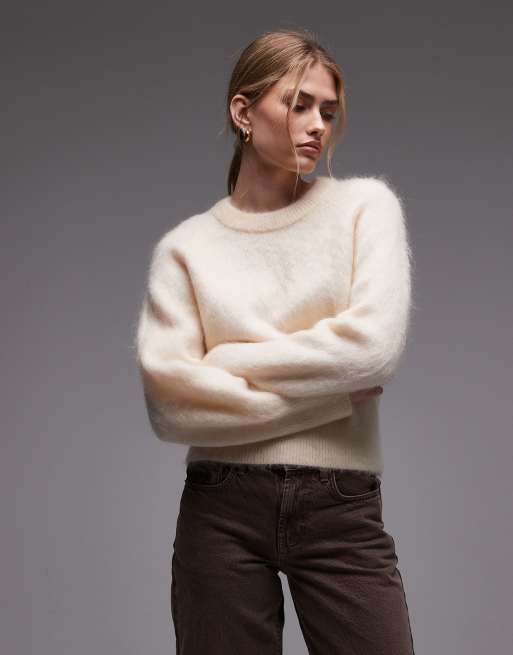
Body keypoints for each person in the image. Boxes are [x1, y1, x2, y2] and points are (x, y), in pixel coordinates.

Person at [134, 28, 416, 655]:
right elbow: (172, 405)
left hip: (342, 507)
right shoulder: (186, 248)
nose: (318, 125)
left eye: (328, 111)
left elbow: (372, 349)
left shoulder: (365, 209)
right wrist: (333, 399)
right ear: (243, 112)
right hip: (220, 510)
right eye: (298, 104)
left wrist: (229, 361)